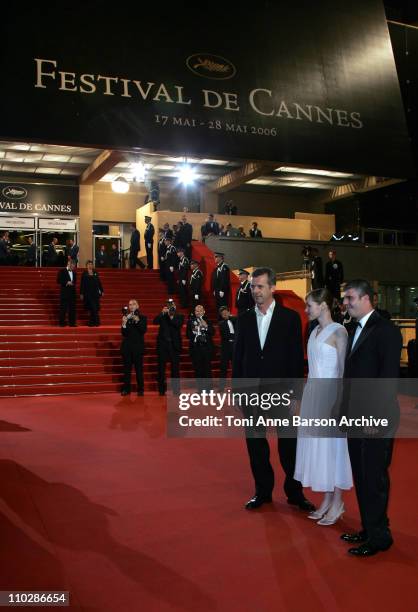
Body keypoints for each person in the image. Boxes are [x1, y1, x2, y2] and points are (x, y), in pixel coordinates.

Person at [232, 267, 315, 512]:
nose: (255, 291)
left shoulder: (289, 318)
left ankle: (295, 493)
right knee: (256, 446)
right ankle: (263, 492)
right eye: (253, 287)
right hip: (252, 393)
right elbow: (239, 357)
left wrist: (295, 395)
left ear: (272, 288)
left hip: (281, 393)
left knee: (289, 445)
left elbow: (295, 359)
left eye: (260, 286)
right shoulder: (244, 318)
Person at [340, 279, 402, 557]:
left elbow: (388, 381)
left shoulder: (386, 331)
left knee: (374, 478)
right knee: (362, 476)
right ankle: (369, 528)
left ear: (367, 298)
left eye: (350, 298)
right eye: (345, 298)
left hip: (376, 418)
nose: (346, 303)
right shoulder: (354, 329)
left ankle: (380, 537)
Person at [294, 288, 352, 525]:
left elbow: (343, 373)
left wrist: (339, 403)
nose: (306, 309)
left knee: (334, 449)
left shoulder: (340, 332)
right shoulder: (314, 330)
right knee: (319, 448)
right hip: (313, 395)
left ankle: (338, 502)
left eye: (310, 305)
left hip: (331, 397)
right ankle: (327, 501)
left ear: (324, 306)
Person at [153, 300, 184, 396]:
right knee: (161, 368)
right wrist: (162, 313)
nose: (170, 307)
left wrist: (171, 316)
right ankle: (161, 390)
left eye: (172, 305)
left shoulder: (179, 316)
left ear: (175, 306)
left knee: (175, 369)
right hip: (163, 345)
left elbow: (178, 324)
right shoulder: (163, 315)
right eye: (169, 305)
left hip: (174, 345)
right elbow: (155, 321)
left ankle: (176, 390)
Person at [120, 299, 147, 396]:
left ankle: (141, 390)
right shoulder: (126, 317)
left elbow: (143, 330)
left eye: (133, 304)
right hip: (127, 348)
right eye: (130, 305)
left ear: (137, 306)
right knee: (127, 370)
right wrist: (123, 323)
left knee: (139, 370)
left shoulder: (143, 318)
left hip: (138, 348)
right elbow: (124, 333)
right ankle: (126, 389)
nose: (131, 306)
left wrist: (138, 321)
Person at [186, 304, 214, 391]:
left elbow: (213, 332)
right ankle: (200, 389)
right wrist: (194, 332)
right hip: (196, 348)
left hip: (206, 347)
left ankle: (208, 389)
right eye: (196, 311)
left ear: (204, 311)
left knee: (207, 368)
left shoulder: (208, 321)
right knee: (198, 369)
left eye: (200, 310)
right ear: (194, 312)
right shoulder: (190, 321)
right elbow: (187, 335)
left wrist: (206, 327)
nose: (198, 312)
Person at [80, 260, 104, 327]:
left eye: (91, 264)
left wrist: (102, 290)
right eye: (89, 264)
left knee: (94, 308)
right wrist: (81, 293)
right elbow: (82, 284)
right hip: (88, 294)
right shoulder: (84, 273)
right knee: (92, 308)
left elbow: (99, 282)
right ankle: (96, 322)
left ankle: (92, 322)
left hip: (95, 293)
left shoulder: (95, 272)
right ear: (86, 265)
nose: (90, 265)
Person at [218, 306, 236, 391]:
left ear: (229, 312)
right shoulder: (221, 323)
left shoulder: (235, 320)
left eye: (226, 312)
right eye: (223, 313)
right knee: (223, 367)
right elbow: (225, 335)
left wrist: (232, 318)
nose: (224, 314)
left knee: (236, 367)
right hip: (226, 347)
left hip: (235, 346)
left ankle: (236, 387)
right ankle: (221, 387)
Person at [57, 259, 77, 327]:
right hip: (64, 293)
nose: (73, 267)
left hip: (72, 294)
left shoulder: (74, 273)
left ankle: (72, 323)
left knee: (72, 309)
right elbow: (58, 280)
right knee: (63, 309)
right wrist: (66, 282)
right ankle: (61, 323)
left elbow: (75, 283)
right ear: (69, 264)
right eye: (73, 266)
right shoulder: (62, 271)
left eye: (74, 266)